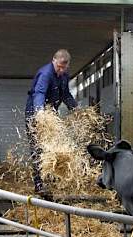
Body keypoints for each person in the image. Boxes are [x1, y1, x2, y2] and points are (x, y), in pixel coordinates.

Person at [25, 49, 77, 198]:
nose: (61, 70)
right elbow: (39, 93)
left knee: (53, 147)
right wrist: (40, 112)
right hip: (36, 115)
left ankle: (51, 179)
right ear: (54, 60)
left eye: (64, 68)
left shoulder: (64, 76)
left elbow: (66, 95)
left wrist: (76, 109)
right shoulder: (46, 74)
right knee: (37, 148)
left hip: (51, 116)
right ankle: (39, 184)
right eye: (59, 66)